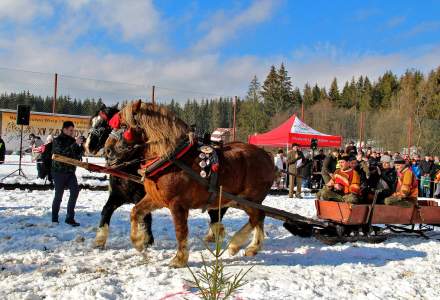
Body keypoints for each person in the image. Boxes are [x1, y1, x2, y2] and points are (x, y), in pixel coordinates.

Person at [51, 121, 84, 226]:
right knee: (58, 195)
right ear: (64, 129)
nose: (72, 132)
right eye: (70, 130)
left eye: (73, 130)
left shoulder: (72, 141)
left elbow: (77, 156)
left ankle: (70, 218)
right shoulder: (57, 140)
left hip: (70, 172)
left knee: (75, 192)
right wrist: (75, 144)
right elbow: (63, 152)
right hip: (59, 172)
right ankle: (54, 218)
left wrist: (82, 146)